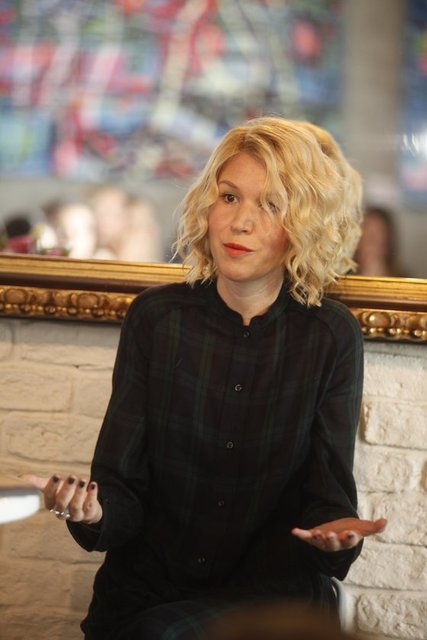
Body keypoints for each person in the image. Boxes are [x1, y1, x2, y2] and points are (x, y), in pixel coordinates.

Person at [23, 116, 387, 640]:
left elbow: (329, 499)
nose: (240, 223)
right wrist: (91, 508)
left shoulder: (330, 335)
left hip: (268, 600)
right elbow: (122, 491)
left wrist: (337, 536)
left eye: (272, 205)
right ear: (207, 205)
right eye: (230, 197)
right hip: (147, 588)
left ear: (304, 223)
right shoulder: (156, 318)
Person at [353, 205, 402, 277]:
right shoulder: (345, 277)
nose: (363, 245)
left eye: (372, 238)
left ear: (386, 245)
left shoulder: (404, 281)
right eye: (360, 238)